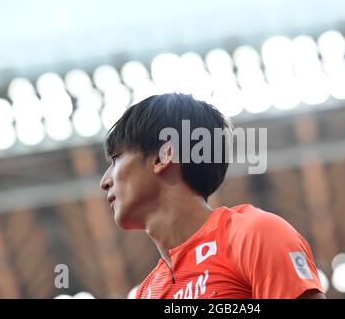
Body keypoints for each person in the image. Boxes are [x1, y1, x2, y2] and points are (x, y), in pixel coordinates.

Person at [100, 93, 325, 299]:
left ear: (163, 156)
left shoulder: (254, 234)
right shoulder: (145, 293)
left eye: (116, 158)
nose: (104, 181)